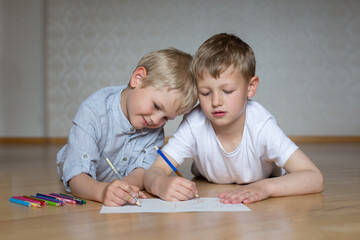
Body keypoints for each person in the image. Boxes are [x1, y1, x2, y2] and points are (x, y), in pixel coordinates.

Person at [144, 33, 324, 204]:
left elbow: (314, 177)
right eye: (205, 93)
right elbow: (155, 170)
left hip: (264, 179)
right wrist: (160, 184)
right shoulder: (195, 123)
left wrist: (265, 187)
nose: (216, 101)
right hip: (209, 179)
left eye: (227, 91)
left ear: (251, 87)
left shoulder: (261, 125)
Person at [57, 48, 198, 206]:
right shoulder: (92, 112)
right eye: (156, 106)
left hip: (114, 179)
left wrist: (125, 188)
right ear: (138, 79)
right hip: (83, 172)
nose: (156, 120)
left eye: (166, 118)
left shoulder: (155, 129)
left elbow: (142, 172)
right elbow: (76, 178)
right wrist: (102, 192)